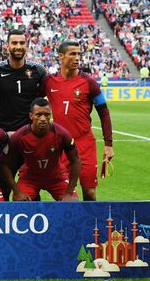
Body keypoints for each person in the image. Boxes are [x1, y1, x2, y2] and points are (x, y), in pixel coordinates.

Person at [42, 40, 114, 201]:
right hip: (60, 145)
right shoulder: (49, 82)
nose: (77, 58)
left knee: (89, 192)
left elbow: (104, 112)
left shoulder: (89, 83)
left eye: (79, 54)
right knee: (66, 195)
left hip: (84, 143)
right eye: (72, 54)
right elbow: (32, 103)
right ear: (61, 56)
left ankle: (91, 224)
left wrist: (108, 144)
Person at [0, 28, 47, 201]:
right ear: (7, 46)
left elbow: (41, 99)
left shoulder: (38, 71)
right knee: (3, 188)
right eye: (14, 43)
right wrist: (7, 106)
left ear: (26, 46)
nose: (18, 46)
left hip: (32, 138)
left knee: (32, 189)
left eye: (22, 43)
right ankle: (5, 226)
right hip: (5, 137)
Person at [1, 98, 80, 201]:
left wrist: (69, 193)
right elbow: (4, 164)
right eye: (38, 115)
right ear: (31, 116)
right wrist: (17, 191)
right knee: (19, 203)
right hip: (29, 178)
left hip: (56, 177)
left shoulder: (61, 133)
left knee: (73, 202)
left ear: (50, 115)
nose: (43, 118)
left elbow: (76, 160)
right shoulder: (19, 136)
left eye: (46, 115)